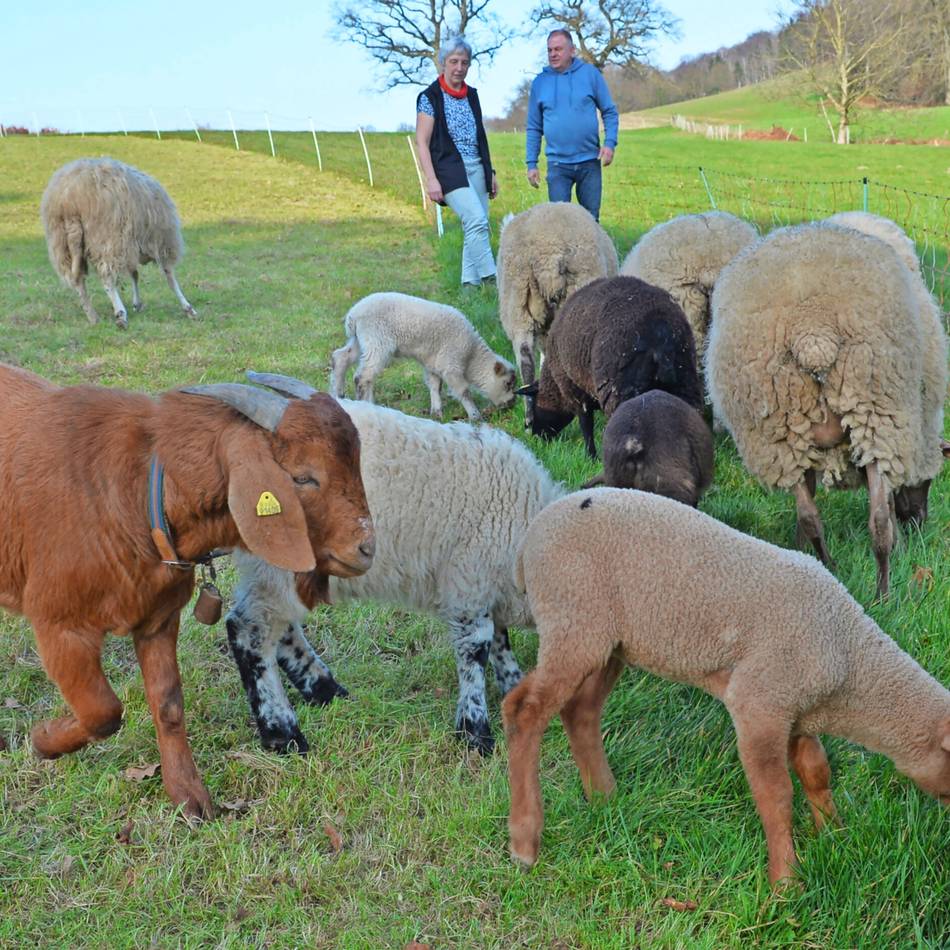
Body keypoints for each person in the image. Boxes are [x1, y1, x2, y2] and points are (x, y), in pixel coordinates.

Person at [416, 37, 499, 289]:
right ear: (443, 63)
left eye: (464, 62)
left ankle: (469, 287)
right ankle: (492, 280)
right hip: (449, 170)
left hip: (477, 167)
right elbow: (422, 141)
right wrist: (431, 179)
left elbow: (479, 135)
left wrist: (490, 172)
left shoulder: (471, 95)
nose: (459, 67)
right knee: (476, 220)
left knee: (474, 227)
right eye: (453, 61)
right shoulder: (429, 97)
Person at [525, 29, 619, 222]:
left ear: (572, 50)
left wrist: (609, 144)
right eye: (549, 50)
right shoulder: (540, 83)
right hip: (558, 165)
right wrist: (531, 163)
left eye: (558, 49)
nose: (553, 54)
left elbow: (609, 111)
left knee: (591, 222)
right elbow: (534, 126)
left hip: (589, 162)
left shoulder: (590, 75)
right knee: (560, 224)